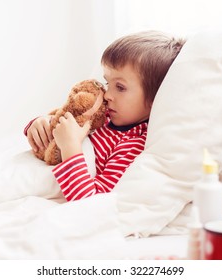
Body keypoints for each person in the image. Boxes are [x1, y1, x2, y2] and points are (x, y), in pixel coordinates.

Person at [24, 31, 185, 201]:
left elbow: (90, 200)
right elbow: (64, 116)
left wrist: (70, 147)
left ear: (154, 99)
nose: (107, 94)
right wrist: (41, 124)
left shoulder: (133, 145)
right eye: (108, 83)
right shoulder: (104, 113)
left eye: (120, 87)